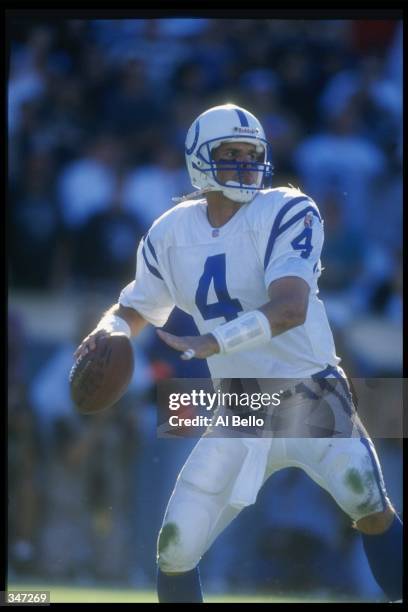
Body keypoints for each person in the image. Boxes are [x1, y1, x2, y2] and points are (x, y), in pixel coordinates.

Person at [74, 104, 402, 603]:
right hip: (241, 406)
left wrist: (216, 340)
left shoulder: (287, 209)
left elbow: (290, 307)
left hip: (309, 391)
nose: (246, 165)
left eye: (253, 155)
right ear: (199, 161)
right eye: (232, 154)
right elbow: (133, 307)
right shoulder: (170, 232)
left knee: (369, 504)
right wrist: (107, 330)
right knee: (175, 547)